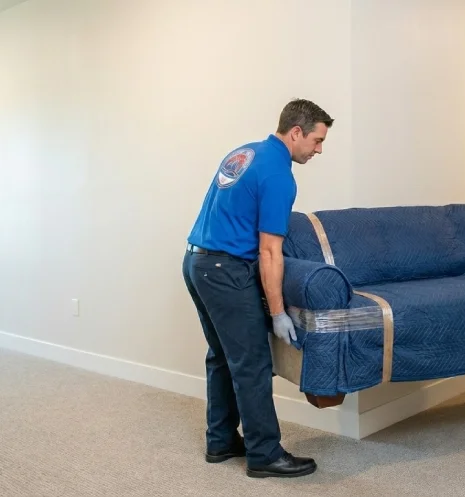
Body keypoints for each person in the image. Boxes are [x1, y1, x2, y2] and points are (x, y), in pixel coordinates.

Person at [181, 98, 333, 478]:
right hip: (225, 271)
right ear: (296, 132)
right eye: (316, 140)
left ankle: (221, 440)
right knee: (252, 363)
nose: (318, 150)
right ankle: (264, 453)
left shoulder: (245, 153)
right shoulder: (279, 175)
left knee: (222, 356)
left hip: (197, 263)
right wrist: (278, 313)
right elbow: (269, 251)